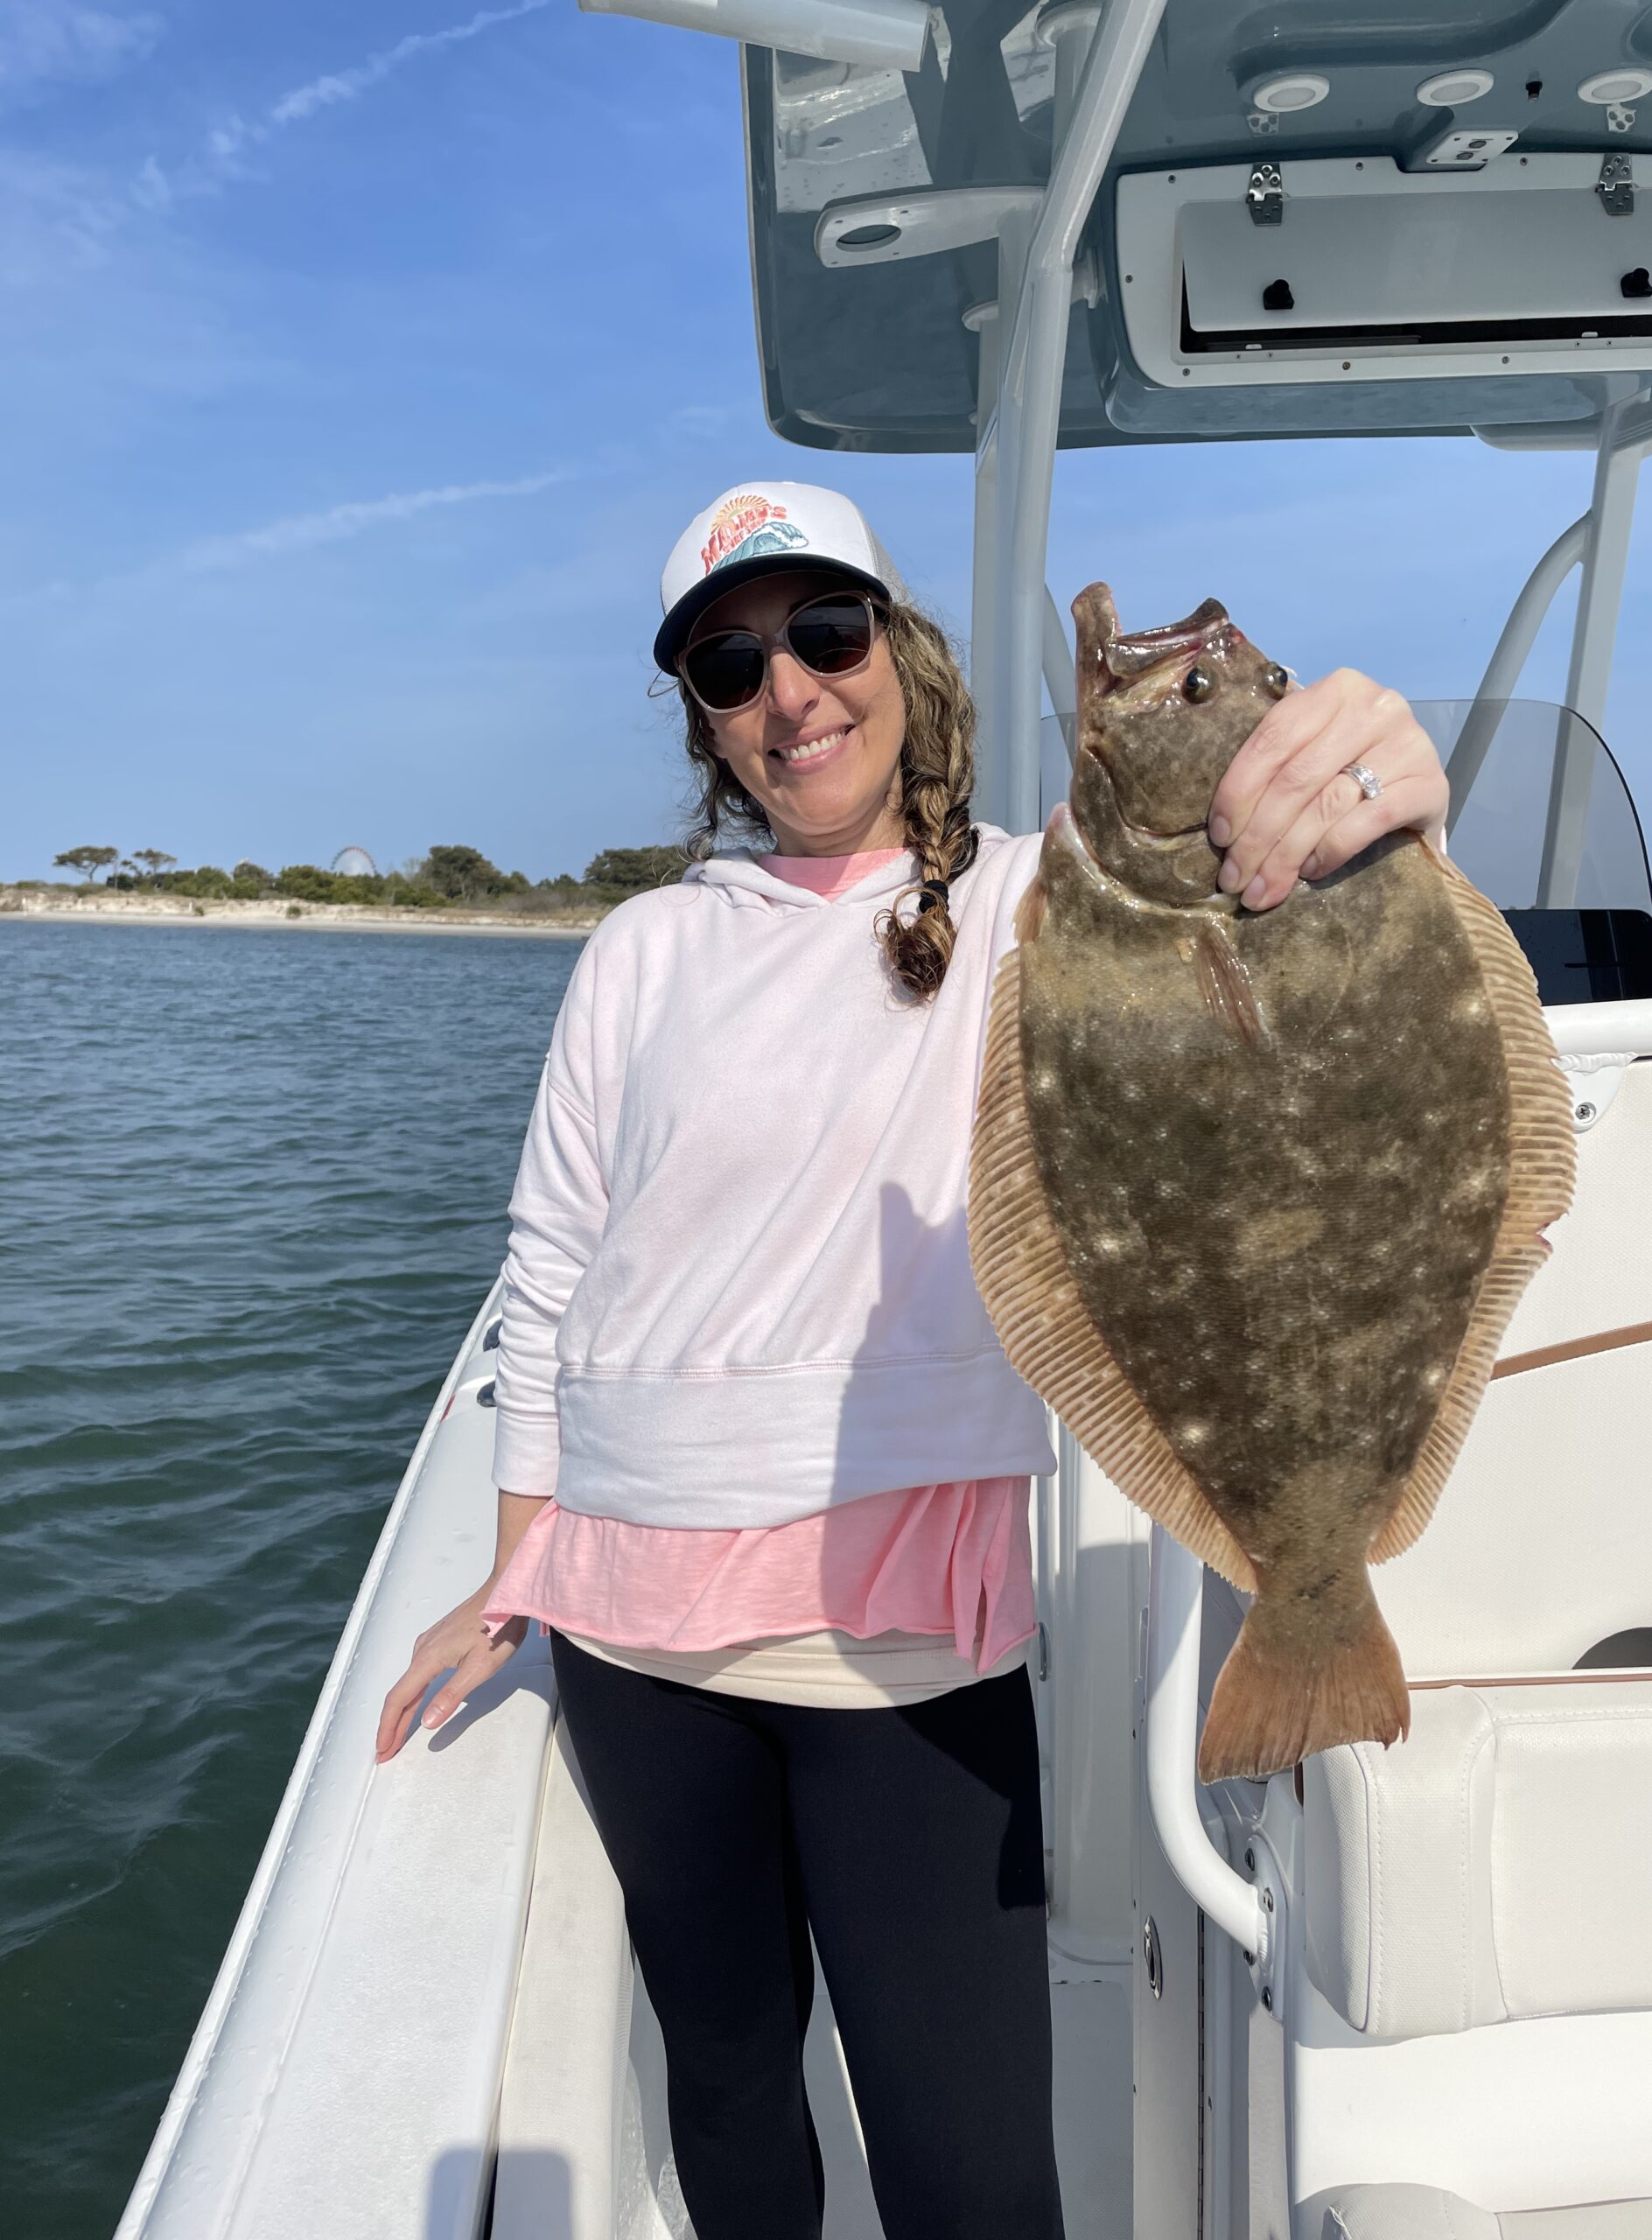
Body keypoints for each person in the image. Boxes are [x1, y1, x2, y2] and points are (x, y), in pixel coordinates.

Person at [376, 480, 1451, 2238]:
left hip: (901, 1636)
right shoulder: (644, 948)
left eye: (823, 630)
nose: (788, 686)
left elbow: (1254, 928)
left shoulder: (1044, 897)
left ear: (897, 646)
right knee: (728, 2094)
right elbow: (555, 1265)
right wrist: (515, 1574)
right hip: (633, 1624)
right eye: (733, 660)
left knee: (971, 2173)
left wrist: (1367, 788)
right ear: (708, 721)